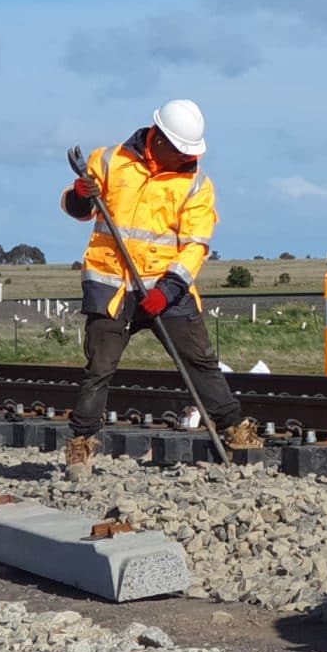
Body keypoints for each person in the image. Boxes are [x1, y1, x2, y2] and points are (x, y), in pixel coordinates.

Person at [61, 97, 247, 481]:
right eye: (181, 151)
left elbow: (196, 245)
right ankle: (81, 444)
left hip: (166, 290)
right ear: (158, 138)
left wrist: (169, 288)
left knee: (200, 363)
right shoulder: (109, 161)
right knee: (99, 369)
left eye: (189, 152)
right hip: (111, 285)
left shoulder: (196, 184)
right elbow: (77, 210)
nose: (186, 158)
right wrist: (81, 194)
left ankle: (235, 431)